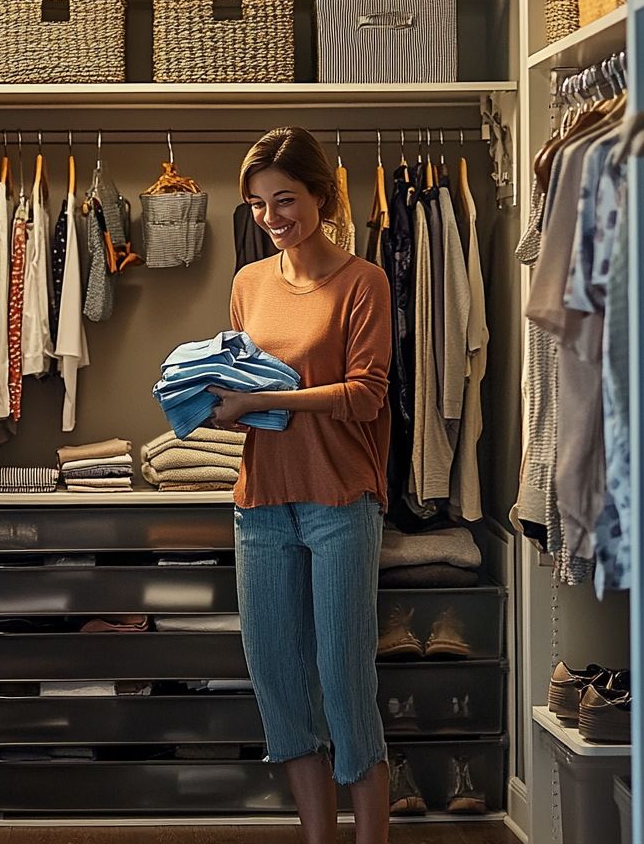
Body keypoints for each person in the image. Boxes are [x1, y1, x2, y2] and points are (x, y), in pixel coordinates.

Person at [208, 126, 393, 844]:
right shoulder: (247, 284)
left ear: (322, 194)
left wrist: (263, 403)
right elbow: (248, 387)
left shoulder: (362, 281)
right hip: (260, 507)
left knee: (346, 689)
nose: (271, 217)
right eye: (257, 205)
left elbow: (366, 395)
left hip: (340, 503)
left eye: (284, 200)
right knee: (280, 691)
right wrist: (220, 406)